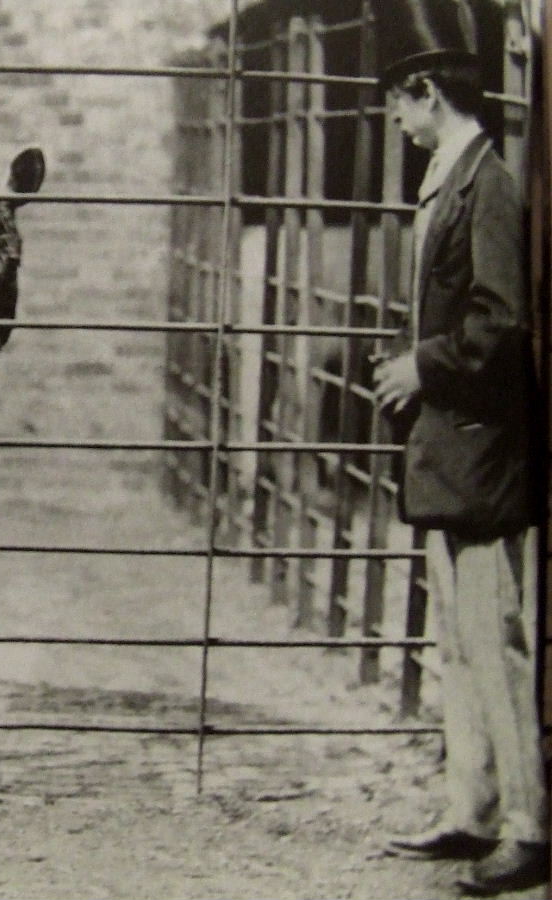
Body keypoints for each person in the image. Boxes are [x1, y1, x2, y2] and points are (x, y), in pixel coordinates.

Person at [368, 0, 548, 895]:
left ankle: (527, 822)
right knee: (459, 638)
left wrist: (420, 369)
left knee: (494, 634)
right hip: (452, 447)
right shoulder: (453, 173)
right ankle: (470, 809)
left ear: (427, 93)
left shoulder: (490, 186)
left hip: (479, 443)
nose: (395, 122)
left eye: (399, 105)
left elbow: (500, 320)